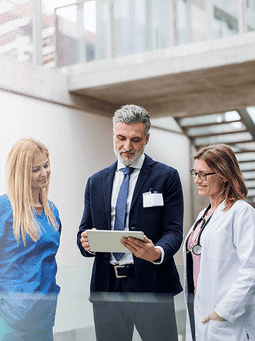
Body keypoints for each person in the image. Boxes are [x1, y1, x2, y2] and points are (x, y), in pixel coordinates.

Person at [77, 104, 184, 341]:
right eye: (121, 138)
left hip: (152, 286)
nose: (127, 147)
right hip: (107, 287)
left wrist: (156, 252)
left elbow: (174, 231)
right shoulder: (96, 182)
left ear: (147, 138)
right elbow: (84, 230)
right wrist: (86, 242)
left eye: (135, 140)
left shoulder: (166, 176)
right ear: (113, 134)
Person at [0, 138, 61, 340]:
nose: (44, 173)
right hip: (5, 319)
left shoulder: (52, 212)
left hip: (42, 318)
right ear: (21, 172)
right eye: (35, 169)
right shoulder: (0, 207)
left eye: (46, 166)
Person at [184, 144, 255, 341]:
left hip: (225, 320)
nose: (196, 180)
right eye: (195, 173)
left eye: (203, 174)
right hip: (198, 312)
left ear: (224, 175)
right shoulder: (204, 215)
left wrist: (224, 312)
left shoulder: (242, 212)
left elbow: (253, 270)